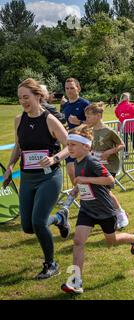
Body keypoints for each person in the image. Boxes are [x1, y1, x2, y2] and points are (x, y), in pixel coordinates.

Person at [60, 125, 134, 294]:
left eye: (73, 145)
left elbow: (109, 180)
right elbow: (83, 183)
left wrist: (85, 178)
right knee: (78, 242)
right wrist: (77, 187)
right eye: (68, 145)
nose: (69, 148)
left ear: (86, 146)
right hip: (87, 209)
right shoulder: (76, 161)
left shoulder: (92, 161)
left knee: (111, 241)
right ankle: (76, 281)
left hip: (104, 209)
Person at [2, 78, 71, 279]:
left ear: (38, 96)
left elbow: (69, 145)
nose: (23, 101)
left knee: (39, 222)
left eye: (26, 97)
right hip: (27, 177)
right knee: (27, 226)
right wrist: (9, 167)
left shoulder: (49, 119)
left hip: (49, 178)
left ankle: (51, 264)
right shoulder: (19, 119)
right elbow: (18, 146)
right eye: (20, 98)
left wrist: (54, 158)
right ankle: (60, 218)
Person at [85, 102, 129, 229]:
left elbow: (122, 145)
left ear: (98, 116)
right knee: (98, 192)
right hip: (96, 165)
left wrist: (110, 151)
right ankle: (110, 215)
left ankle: (120, 213)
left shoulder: (109, 131)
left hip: (110, 166)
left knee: (104, 190)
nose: (87, 119)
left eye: (89, 116)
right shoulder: (89, 131)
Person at [59, 78, 91, 213]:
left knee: (85, 176)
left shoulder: (85, 103)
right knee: (72, 175)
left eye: (72, 88)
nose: (69, 91)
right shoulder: (65, 106)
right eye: (67, 88)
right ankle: (86, 198)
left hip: (83, 146)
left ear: (78, 88)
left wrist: (79, 122)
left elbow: (92, 123)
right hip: (70, 146)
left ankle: (90, 200)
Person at [115, 92, 134, 159]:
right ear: (128, 98)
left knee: (125, 141)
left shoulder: (119, 106)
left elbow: (117, 114)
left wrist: (123, 117)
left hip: (123, 126)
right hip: (131, 126)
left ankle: (126, 154)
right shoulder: (131, 105)